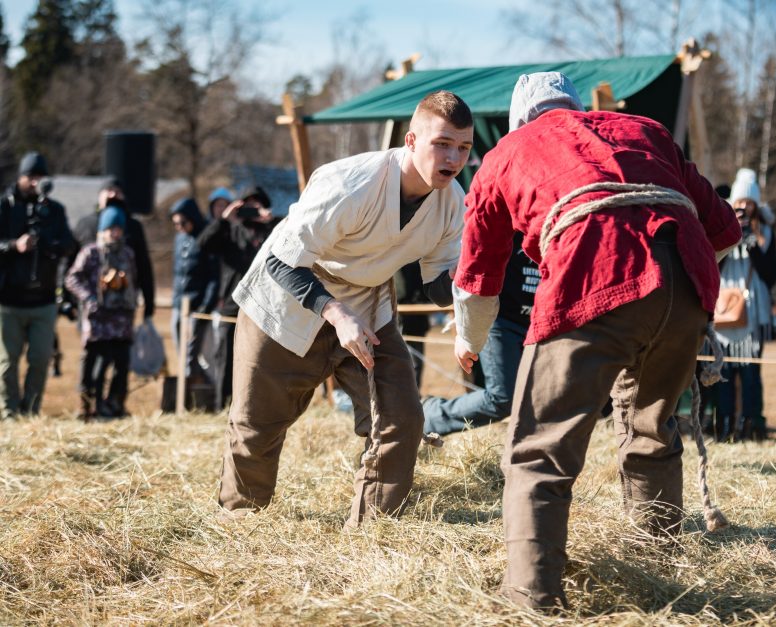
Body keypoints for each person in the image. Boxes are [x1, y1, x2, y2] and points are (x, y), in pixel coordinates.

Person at [451, 72, 740, 609]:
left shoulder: (509, 151)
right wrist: (682, 292)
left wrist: (468, 340)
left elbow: (476, 275)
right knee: (654, 430)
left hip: (595, 267)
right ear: (578, 108)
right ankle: (659, 571)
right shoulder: (646, 129)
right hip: (686, 278)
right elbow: (724, 230)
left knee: (540, 448)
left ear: (520, 121)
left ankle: (529, 597)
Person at [217, 91, 474, 528]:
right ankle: (242, 526)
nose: (453, 158)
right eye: (442, 144)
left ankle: (374, 530)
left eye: (463, 148)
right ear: (411, 140)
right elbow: (281, 260)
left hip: (369, 304)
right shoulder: (352, 183)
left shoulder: (451, 201)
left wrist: (475, 287)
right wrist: (335, 315)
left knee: (402, 420)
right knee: (256, 427)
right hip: (287, 304)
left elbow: (436, 284)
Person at [422, 233, 540, 436]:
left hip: (541, 322)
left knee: (543, 394)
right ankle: (430, 416)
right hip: (500, 319)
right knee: (502, 398)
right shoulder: (507, 222)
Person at [0, 152, 76, 419]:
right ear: (20, 177)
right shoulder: (5, 207)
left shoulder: (54, 211)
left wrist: (47, 244)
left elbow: (69, 244)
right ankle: (9, 414)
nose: (35, 183)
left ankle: (31, 413)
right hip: (8, 301)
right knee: (7, 363)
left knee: (41, 359)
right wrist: (13, 245)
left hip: (43, 300)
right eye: (30, 177)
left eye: (40, 178)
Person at [196, 186, 276, 410]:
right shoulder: (229, 232)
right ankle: (223, 405)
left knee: (261, 358)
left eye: (256, 204)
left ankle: (256, 407)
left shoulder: (273, 230)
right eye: (246, 204)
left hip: (263, 305)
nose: (251, 209)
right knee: (225, 357)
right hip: (231, 305)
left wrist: (268, 221)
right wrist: (224, 219)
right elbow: (202, 244)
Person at [714, 168, 776, 442]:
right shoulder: (722, 228)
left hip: (753, 312)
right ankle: (724, 425)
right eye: (739, 202)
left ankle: (751, 425)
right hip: (725, 310)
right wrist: (732, 235)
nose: (743, 207)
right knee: (723, 372)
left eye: (748, 203)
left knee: (751, 373)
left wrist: (751, 244)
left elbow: (771, 274)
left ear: (755, 204)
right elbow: (714, 264)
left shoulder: (765, 232)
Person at [65, 207, 138, 419]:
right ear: (102, 230)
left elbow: (133, 281)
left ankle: (115, 405)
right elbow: (72, 278)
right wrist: (89, 298)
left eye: (118, 229)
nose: (115, 233)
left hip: (121, 320)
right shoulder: (91, 253)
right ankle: (88, 406)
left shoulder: (127, 253)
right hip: (98, 320)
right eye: (110, 229)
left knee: (121, 365)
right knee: (94, 365)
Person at [70, 177, 155, 321]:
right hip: (91, 306)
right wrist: (69, 299)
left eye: (117, 192)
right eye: (109, 191)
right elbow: (70, 265)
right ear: (99, 195)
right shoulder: (85, 224)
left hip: (123, 308)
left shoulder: (133, 227)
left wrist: (149, 302)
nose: (113, 195)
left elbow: (143, 267)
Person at [170, 197, 218, 386]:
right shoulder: (179, 239)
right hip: (179, 302)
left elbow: (214, 275)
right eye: (175, 224)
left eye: (182, 222)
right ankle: (187, 381)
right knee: (180, 347)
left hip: (198, 303)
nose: (179, 227)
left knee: (193, 349)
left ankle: (198, 384)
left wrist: (207, 303)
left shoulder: (206, 236)